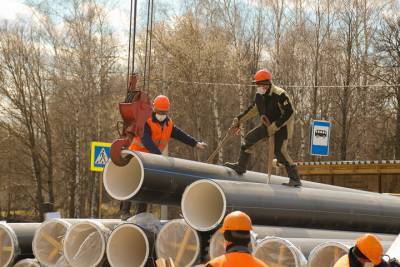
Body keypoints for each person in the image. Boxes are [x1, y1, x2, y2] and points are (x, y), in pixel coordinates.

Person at [119, 95, 207, 220]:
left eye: (164, 112)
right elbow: (147, 141)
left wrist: (195, 143)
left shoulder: (168, 124)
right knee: (132, 183)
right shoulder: (146, 121)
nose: (162, 114)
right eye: (160, 112)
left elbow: (180, 135)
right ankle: (124, 212)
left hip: (151, 160)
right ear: (154, 108)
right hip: (136, 157)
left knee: (146, 185)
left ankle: (139, 216)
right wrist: (159, 157)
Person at [224, 69, 301, 187]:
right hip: (267, 125)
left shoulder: (280, 94)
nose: (258, 87)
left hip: (283, 127)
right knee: (249, 139)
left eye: (260, 84)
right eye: (257, 84)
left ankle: (295, 179)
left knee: (280, 151)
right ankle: (241, 166)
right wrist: (239, 120)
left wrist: (275, 126)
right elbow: (253, 109)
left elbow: (289, 112)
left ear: (267, 83)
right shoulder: (259, 95)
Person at [333, 234, 399, 267]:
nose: (373, 263)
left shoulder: (362, 259)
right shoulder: (344, 265)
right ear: (362, 258)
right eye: (372, 260)